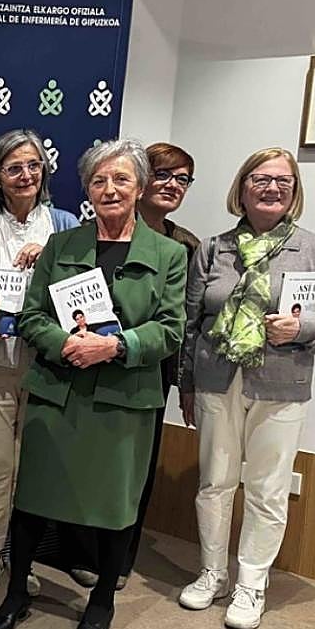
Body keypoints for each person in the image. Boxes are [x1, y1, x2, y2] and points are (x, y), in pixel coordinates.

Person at [0, 138, 187, 629]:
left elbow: (171, 329)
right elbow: (31, 316)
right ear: (86, 189)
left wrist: (114, 347)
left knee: (116, 506)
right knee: (33, 499)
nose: (109, 189)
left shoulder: (169, 254)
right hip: (59, 391)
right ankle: (17, 593)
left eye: (120, 179)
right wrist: (67, 343)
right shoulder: (62, 246)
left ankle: (102, 601)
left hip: (124, 401)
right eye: (99, 180)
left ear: (139, 187)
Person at [178, 147, 315, 629]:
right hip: (217, 380)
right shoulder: (214, 249)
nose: (272, 188)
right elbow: (191, 323)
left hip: (282, 384)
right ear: (242, 188)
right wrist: (186, 384)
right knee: (214, 481)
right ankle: (212, 572)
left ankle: (251, 582)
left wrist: (303, 332)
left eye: (283, 182)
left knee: (268, 489)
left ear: (294, 193)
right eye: (261, 179)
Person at [69, 142, 202, 590]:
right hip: (84, 361)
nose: (172, 186)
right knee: (87, 460)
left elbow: (184, 322)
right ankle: (83, 552)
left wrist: (184, 382)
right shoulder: (87, 235)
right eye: (164, 174)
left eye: (182, 179)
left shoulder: (185, 245)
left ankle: (120, 557)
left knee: (133, 468)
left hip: (150, 369)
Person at [0, 128, 79, 595]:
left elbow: (82, 293)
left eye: (34, 165)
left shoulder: (67, 224)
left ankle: (25, 556)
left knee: (35, 467)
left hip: (48, 365)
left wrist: (50, 257)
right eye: (14, 167)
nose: (26, 175)